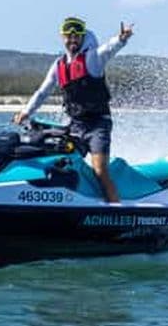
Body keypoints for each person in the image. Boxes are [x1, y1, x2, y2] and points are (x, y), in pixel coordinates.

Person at [13, 16, 134, 203]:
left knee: (99, 170)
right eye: (68, 37)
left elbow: (110, 49)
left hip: (98, 125)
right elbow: (43, 92)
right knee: (60, 162)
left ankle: (117, 210)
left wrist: (122, 38)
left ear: (82, 37)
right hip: (76, 126)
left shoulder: (93, 59)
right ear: (63, 38)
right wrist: (26, 112)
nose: (72, 40)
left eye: (76, 36)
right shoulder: (58, 65)